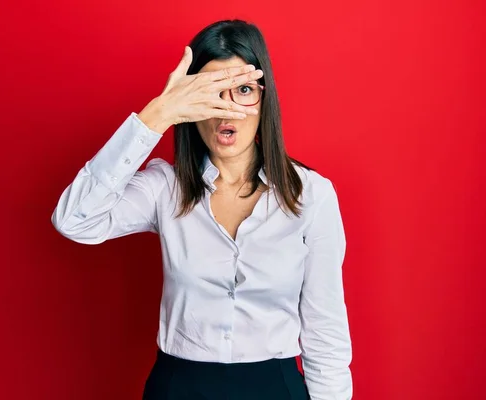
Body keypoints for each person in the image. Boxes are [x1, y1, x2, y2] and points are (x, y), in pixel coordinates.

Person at [51, 19, 352, 400]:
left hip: (275, 387)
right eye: (210, 93)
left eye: (243, 90)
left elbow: (325, 330)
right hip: (180, 386)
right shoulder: (165, 187)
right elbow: (75, 220)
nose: (226, 110)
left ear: (264, 99)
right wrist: (157, 114)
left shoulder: (312, 195)